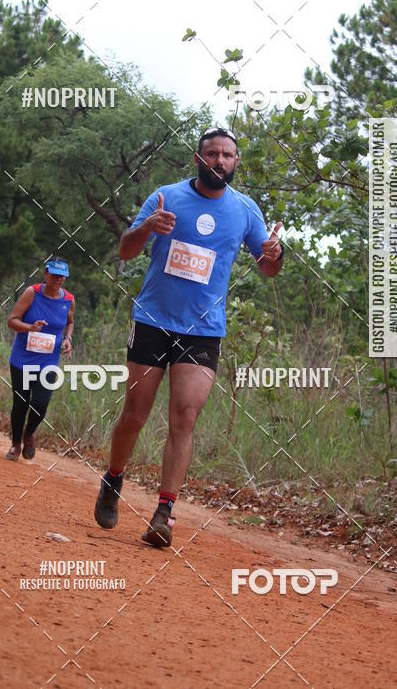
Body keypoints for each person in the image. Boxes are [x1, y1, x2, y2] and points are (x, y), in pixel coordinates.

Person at [94, 127, 285, 547]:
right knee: (136, 414)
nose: (220, 160)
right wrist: (147, 228)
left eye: (228, 155)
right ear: (198, 160)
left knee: (185, 417)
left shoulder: (245, 210)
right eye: (212, 153)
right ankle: (113, 478)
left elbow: (267, 267)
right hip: (152, 319)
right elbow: (125, 250)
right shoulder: (165, 196)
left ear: (236, 163)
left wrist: (275, 255)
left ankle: (164, 512)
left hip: (203, 330)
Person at [5, 257, 74, 461]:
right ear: (45, 274)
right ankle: (16, 444)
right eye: (54, 275)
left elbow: (69, 322)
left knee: (41, 404)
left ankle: (29, 433)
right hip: (22, 360)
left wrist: (68, 339)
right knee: (21, 403)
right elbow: (12, 321)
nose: (58, 280)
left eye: (62, 276)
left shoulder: (68, 299)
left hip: (48, 362)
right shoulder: (32, 293)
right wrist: (30, 327)